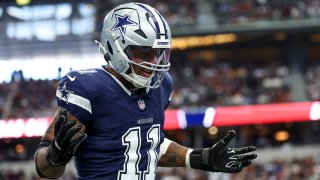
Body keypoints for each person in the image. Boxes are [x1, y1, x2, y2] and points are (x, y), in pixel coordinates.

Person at [34, 2, 257, 179]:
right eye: (143, 52)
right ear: (114, 46)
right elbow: (44, 169)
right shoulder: (87, 88)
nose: (153, 62)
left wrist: (200, 157)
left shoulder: (162, 85)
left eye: (158, 53)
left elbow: (149, 144)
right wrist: (56, 155)